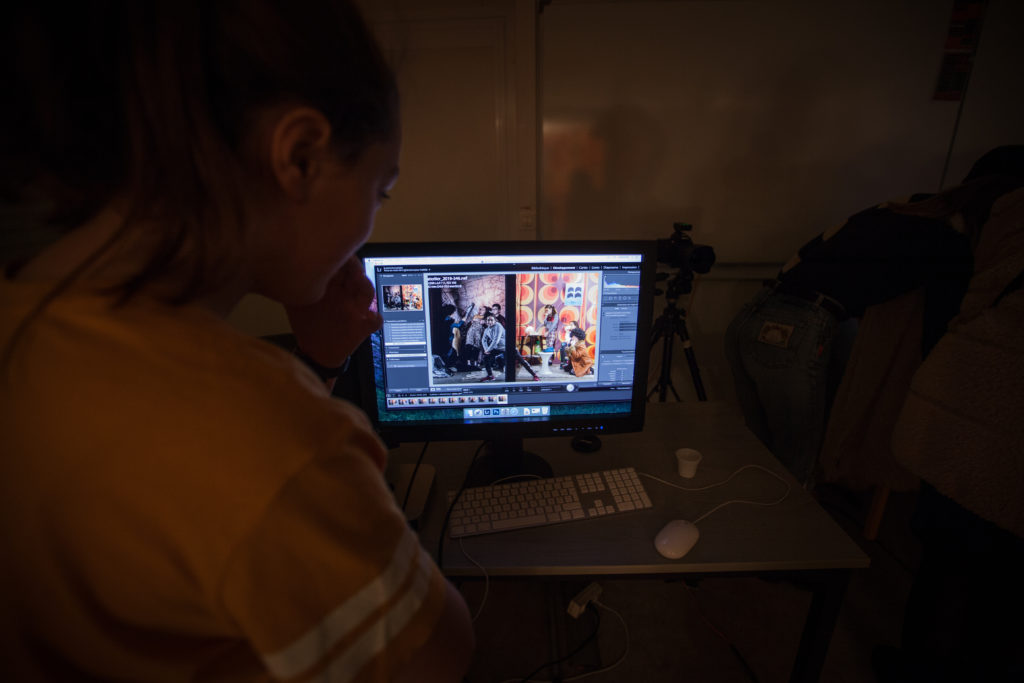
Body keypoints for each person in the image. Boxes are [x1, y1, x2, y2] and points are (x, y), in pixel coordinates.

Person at [0, 2, 473, 681]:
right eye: (381, 191)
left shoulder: (25, 312)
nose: (372, 222)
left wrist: (319, 362)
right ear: (299, 156)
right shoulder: (277, 434)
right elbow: (436, 655)